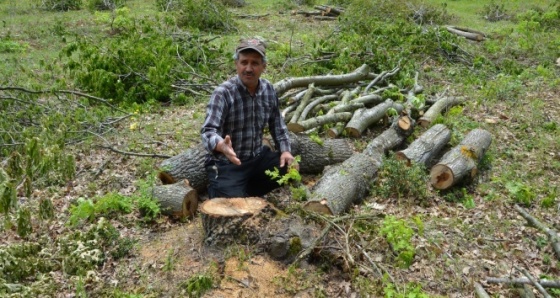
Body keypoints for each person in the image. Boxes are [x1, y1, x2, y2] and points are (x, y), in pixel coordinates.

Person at [200, 38, 296, 199]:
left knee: (288, 169)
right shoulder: (223, 93)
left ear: (263, 67)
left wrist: (285, 150)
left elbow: (278, 125)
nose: (249, 68)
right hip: (228, 164)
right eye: (244, 62)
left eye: (255, 63)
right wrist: (221, 145)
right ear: (236, 64)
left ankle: (244, 189)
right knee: (231, 204)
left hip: (257, 158)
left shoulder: (268, 90)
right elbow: (208, 131)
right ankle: (227, 189)